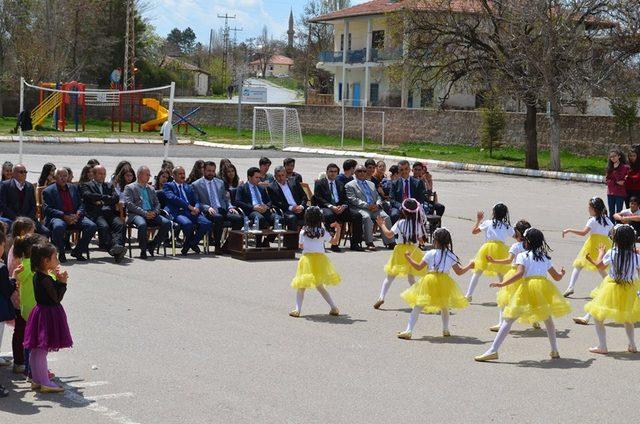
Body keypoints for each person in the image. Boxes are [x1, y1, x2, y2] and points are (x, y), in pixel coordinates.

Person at [475, 228, 570, 362]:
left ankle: (493, 350)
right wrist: (561, 274)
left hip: (527, 287)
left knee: (508, 319)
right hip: (543, 287)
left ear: (528, 241)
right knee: (548, 319)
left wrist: (502, 284)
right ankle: (554, 350)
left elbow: (519, 274)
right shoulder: (545, 257)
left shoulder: (522, 256)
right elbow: (556, 277)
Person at [398, 228, 475, 340]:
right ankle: (445, 329)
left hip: (430, 279)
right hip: (444, 281)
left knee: (418, 306)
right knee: (444, 306)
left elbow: (418, 267)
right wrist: (469, 265)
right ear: (448, 242)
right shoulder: (451, 255)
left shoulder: (430, 253)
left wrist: (409, 258)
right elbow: (459, 272)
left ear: (435, 241)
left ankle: (409, 330)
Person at [23, 242, 73, 393]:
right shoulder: (46, 279)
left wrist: (56, 280)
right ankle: (44, 381)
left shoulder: (39, 275)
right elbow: (56, 298)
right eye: (54, 257)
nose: (57, 260)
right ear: (45, 261)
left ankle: (37, 379)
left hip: (40, 312)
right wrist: (62, 283)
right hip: (48, 314)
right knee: (42, 350)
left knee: (36, 350)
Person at [583, 224, 639, 354]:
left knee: (598, 317)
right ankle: (632, 345)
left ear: (616, 239)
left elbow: (600, 266)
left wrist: (600, 253)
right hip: (630, 287)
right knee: (628, 318)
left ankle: (602, 346)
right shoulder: (636, 257)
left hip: (612, 287)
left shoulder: (612, 252)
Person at [485, 220, 541, 332]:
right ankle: (535, 320)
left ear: (519, 233)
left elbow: (508, 260)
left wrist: (494, 260)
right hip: (528, 275)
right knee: (529, 299)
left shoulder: (516, 246)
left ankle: (501, 323)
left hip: (515, 273)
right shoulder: (532, 247)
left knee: (505, 299)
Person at [373, 199, 429, 309]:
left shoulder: (400, 222)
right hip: (413, 251)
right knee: (411, 277)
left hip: (400, 251)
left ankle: (381, 297)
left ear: (404, 211)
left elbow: (389, 235)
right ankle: (419, 297)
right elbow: (421, 240)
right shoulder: (418, 224)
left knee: (390, 277)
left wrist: (382, 225)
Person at [289, 207, 342, 318]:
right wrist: (338, 229)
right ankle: (333, 307)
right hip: (320, 260)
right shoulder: (322, 232)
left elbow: (301, 245)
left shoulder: (303, 232)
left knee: (301, 286)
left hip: (307, 259)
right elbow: (335, 241)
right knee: (320, 286)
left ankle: (297, 309)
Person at [42, 168, 97, 263]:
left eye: (65, 176)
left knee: (91, 226)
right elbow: (47, 209)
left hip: (75, 216)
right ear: (55, 177)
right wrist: (64, 216)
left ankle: (78, 251)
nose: (63, 178)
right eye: (60, 176)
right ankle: (61, 252)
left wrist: (78, 214)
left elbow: (81, 204)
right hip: (59, 217)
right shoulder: (48, 191)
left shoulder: (73, 188)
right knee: (58, 227)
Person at [562, 197, 612, 299]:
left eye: (589, 207)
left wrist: (570, 230)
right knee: (601, 267)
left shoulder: (592, 220)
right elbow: (613, 231)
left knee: (578, 265)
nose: (588, 209)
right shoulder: (607, 220)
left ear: (594, 209)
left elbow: (583, 233)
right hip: (604, 245)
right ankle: (610, 286)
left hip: (592, 244)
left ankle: (570, 287)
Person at [13, 233, 46, 380]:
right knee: (36, 342)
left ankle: (29, 368)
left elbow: (17, 279)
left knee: (29, 339)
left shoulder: (23, 264)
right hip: (35, 309)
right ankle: (34, 370)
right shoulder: (32, 266)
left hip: (25, 308)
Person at [465, 203, 514, 302]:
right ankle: (505, 296)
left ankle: (468, 295)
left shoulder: (487, 222)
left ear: (494, 213)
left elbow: (474, 231)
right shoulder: (506, 226)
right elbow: (516, 236)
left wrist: (478, 220)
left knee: (478, 271)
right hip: (501, 249)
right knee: (501, 273)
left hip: (487, 248)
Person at [6, 217, 36, 375]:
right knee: (21, 331)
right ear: (24, 232)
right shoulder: (20, 250)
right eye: (32, 231)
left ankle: (24, 362)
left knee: (22, 330)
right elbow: (19, 272)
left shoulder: (17, 247)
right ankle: (20, 362)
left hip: (19, 294)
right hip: (20, 295)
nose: (34, 233)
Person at [192, 161, 243, 251]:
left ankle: (227, 245)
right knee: (218, 218)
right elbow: (196, 202)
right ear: (203, 170)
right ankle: (217, 245)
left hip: (221, 209)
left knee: (239, 218)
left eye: (213, 171)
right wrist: (207, 207)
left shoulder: (220, 182)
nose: (211, 173)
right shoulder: (196, 184)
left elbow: (225, 198)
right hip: (208, 211)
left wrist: (230, 207)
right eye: (209, 171)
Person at [312, 163, 364, 252]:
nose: (333, 173)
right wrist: (331, 206)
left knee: (357, 215)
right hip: (326, 207)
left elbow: (345, 199)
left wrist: (343, 206)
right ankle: (334, 243)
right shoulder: (320, 183)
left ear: (337, 173)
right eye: (331, 171)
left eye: (335, 172)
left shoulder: (340, 183)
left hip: (340, 209)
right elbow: (318, 198)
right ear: (327, 172)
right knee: (329, 215)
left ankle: (355, 243)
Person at [79, 165, 126, 262]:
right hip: (96, 213)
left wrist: (100, 199)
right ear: (94, 174)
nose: (103, 176)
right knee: (104, 226)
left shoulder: (109, 185)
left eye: (104, 174)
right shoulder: (86, 185)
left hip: (109, 212)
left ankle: (116, 247)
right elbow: (87, 195)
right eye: (100, 174)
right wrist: (105, 197)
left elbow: (115, 198)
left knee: (120, 224)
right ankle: (115, 249)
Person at [163, 167, 212, 256]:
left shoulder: (188, 186)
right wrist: (189, 207)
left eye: (183, 173)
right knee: (187, 224)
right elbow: (174, 199)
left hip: (191, 211)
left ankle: (190, 244)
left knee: (207, 223)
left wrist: (196, 208)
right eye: (180, 174)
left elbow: (196, 200)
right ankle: (191, 244)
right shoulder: (168, 186)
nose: (182, 176)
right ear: (173, 176)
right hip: (178, 212)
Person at [125, 166, 172, 259]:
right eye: (147, 174)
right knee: (142, 225)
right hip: (136, 214)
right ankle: (143, 250)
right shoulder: (130, 187)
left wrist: (154, 212)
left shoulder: (151, 188)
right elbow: (130, 205)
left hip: (151, 213)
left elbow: (157, 203)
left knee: (166, 223)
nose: (149, 176)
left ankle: (153, 244)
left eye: (149, 175)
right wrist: (144, 213)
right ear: (139, 175)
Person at [345, 165, 394, 250]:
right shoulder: (350, 185)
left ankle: (390, 242)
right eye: (359, 171)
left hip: (374, 208)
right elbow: (353, 199)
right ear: (355, 173)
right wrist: (367, 205)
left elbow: (378, 196)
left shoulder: (371, 184)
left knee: (385, 217)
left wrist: (378, 205)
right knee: (366, 217)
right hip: (360, 208)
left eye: (364, 171)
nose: (362, 173)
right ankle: (369, 242)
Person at [0, 164, 50, 236]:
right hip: (11, 219)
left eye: (25, 172)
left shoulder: (29, 186)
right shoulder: (5, 185)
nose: (24, 174)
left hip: (28, 219)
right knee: (11, 234)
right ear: (14, 174)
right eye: (21, 172)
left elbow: (33, 206)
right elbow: (3, 205)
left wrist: (27, 219)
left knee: (45, 232)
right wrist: (17, 218)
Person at [234, 167, 275, 247]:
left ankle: (266, 241)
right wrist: (253, 207)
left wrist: (266, 206)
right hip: (252, 211)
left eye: (259, 177)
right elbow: (238, 202)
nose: (259, 179)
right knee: (260, 219)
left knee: (279, 219)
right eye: (256, 177)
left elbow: (269, 201)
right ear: (249, 177)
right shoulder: (242, 188)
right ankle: (258, 243)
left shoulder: (261, 188)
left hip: (264, 209)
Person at [268, 166, 308, 230]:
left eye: (282, 175)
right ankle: (291, 239)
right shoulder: (271, 187)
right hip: (286, 210)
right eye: (278, 176)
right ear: (275, 176)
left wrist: (301, 206)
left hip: (300, 207)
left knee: (314, 213)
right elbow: (276, 203)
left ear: (285, 174)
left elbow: (304, 196)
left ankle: (314, 236)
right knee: (292, 218)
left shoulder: (294, 181)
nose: (281, 178)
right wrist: (291, 208)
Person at [605, 149, 629, 218]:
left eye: (614, 156)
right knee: (611, 212)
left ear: (619, 156)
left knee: (619, 212)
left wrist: (615, 170)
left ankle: (618, 227)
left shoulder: (625, 167)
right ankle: (612, 227)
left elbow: (623, 181)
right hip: (610, 193)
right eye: (611, 157)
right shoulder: (609, 167)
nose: (613, 158)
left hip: (620, 193)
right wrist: (615, 182)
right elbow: (607, 181)